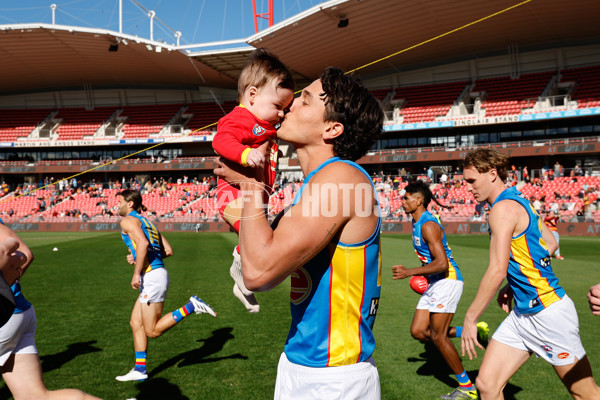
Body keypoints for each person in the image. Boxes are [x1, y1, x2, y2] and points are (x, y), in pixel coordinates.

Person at [215, 67, 383, 399]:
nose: (288, 105)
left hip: (333, 375)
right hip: (307, 363)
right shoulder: (318, 184)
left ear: (332, 128)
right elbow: (261, 258)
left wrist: (249, 186)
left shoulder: (342, 179)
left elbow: (259, 273)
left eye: (304, 101)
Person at [460, 148, 600, 400]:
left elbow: (496, 269)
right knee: (487, 385)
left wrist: (470, 318)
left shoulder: (501, 210)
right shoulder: (518, 199)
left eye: (471, 180)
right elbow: (550, 243)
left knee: (585, 393)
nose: (467, 188)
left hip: (549, 313)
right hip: (523, 315)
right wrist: (515, 284)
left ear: (492, 174)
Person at [212, 48, 295, 313]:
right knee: (258, 239)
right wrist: (245, 154)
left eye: (285, 109)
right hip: (233, 196)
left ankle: (244, 282)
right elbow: (220, 140)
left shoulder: (267, 125)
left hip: (254, 196)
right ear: (252, 95)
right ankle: (243, 275)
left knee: (260, 238)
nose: (281, 114)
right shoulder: (241, 118)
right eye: (278, 107)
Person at [392, 180, 487, 400]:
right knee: (418, 331)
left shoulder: (427, 225)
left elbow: (442, 263)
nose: (402, 201)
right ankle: (472, 332)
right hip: (437, 282)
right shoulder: (417, 223)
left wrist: (410, 272)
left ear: (419, 200)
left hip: (447, 280)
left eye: (407, 198)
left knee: (438, 336)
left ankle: (467, 388)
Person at [115, 189, 216, 382]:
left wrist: (136, 272)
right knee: (135, 323)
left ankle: (191, 306)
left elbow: (143, 244)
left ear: (130, 204)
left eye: (120, 201)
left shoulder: (127, 221)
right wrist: (137, 257)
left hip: (151, 277)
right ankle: (140, 369)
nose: (117, 205)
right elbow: (167, 250)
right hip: (155, 275)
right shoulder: (147, 222)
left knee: (151, 331)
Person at [0, 220, 102, 399]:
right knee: (35, 397)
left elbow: (21, 252)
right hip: (18, 313)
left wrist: (5, 287)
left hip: (5, 318)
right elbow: (21, 252)